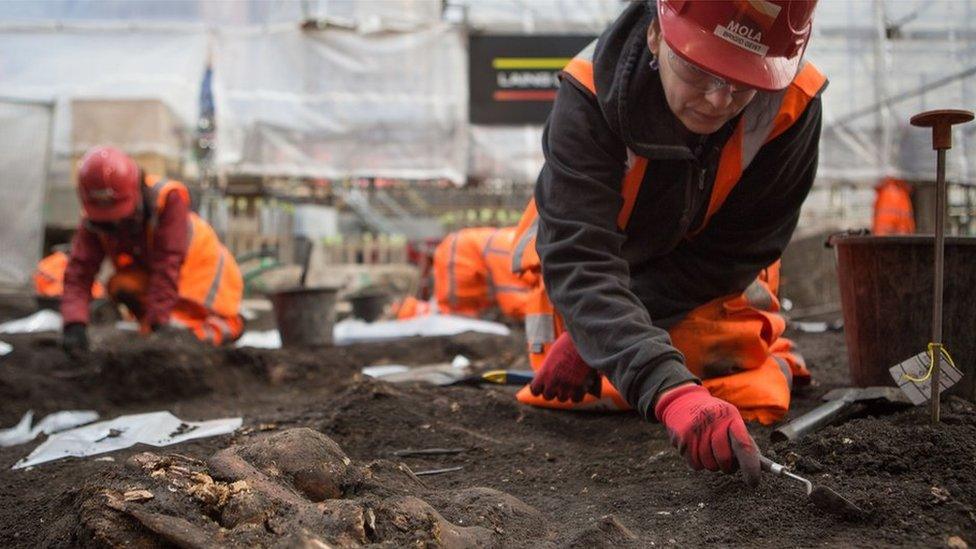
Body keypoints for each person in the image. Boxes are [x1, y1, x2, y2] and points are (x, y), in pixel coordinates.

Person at [513, 0, 826, 486]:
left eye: (744, 82)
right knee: (607, 379)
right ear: (656, 36)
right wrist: (651, 374)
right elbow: (580, 255)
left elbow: (733, 254)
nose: (719, 100)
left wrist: (640, 364)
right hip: (602, 264)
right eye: (700, 71)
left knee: (740, 378)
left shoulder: (792, 102)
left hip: (702, 280)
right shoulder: (590, 93)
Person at [61, 146, 244, 354]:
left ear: (135, 191)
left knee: (187, 337)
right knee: (121, 285)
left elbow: (168, 264)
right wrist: (74, 323)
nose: (113, 224)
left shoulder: (167, 199)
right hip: (163, 278)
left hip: (202, 274)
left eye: (117, 217)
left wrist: (158, 325)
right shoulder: (94, 218)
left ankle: (227, 325)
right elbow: (79, 272)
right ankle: (163, 324)